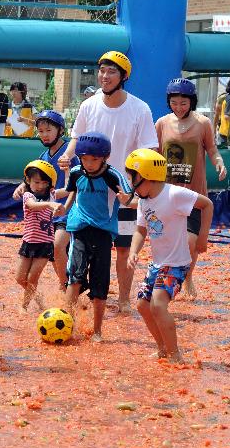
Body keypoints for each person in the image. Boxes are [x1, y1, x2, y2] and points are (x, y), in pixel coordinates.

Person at [58, 51, 158, 314]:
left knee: (123, 250)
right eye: (102, 70)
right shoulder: (88, 105)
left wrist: (140, 189)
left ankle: (124, 300)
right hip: (90, 192)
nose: (105, 76)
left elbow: (149, 149)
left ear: (124, 76)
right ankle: (79, 296)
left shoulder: (140, 109)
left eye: (111, 71)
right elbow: (76, 138)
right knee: (82, 247)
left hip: (124, 192)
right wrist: (68, 156)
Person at [125, 149, 213, 363]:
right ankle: (162, 347)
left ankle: (176, 355)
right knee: (142, 306)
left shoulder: (174, 194)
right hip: (158, 264)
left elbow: (207, 204)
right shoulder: (144, 201)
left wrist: (202, 237)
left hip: (176, 264)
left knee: (157, 305)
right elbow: (140, 230)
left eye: (132, 178)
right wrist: (133, 251)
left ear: (146, 176)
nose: (130, 184)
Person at [156, 78, 226, 300]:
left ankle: (187, 277)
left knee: (191, 241)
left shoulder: (203, 123)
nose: (179, 107)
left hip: (194, 192)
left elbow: (212, 150)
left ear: (192, 102)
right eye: (174, 103)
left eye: (183, 103)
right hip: (168, 192)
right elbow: (155, 155)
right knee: (169, 240)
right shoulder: (162, 124)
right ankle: (167, 279)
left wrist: (219, 162)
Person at [62, 132, 132, 341]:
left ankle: (98, 331)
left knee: (100, 285)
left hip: (103, 233)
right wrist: (63, 208)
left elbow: (128, 196)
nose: (89, 163)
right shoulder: (76, 172)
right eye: (85, 159)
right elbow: (72, 192)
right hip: (80, 229)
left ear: (105, 158)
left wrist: (125, 199)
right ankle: (68, 325)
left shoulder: (113, 175)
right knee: (74, 278)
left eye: (94, 159)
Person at [11, 109, 76, 291]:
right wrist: (21, 186)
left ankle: (67, 286)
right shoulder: (43, 157)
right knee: (55, 254)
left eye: (48, 130)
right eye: (41, 131)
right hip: (48, 216)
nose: (44, 135)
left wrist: (68, 208)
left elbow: (76, 187)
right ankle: (65, 286)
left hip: (68, 212)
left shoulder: (69, 155)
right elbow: (31, 180)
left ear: (60, 130)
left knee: (57, 247)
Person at [16, 160, 64, 311]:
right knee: (19, 278)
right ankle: (39, 299)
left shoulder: (52, 194)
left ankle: (24, 307)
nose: (41, 186)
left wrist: (69, 173)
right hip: (28, 242)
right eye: (36, 182)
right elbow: (32, 205)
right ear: (28, 181)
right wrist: (50, 205)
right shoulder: (28, 195)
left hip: (45, 244)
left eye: (44, 182)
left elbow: (69, 189)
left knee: (32, 278)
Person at [212, 76, 230, 147]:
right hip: (226, 131)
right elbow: (220, 115)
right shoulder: (229, 99)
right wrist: (213, 130)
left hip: (225, 131)